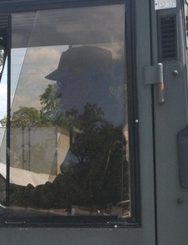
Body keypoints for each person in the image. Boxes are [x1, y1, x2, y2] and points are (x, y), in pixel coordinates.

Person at [7, 45, 129, 216]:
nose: (58, 93)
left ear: (87, 84)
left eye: (63, 83)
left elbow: (64, 195)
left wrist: (1, 190)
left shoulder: (100, 130)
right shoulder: (109, 122)